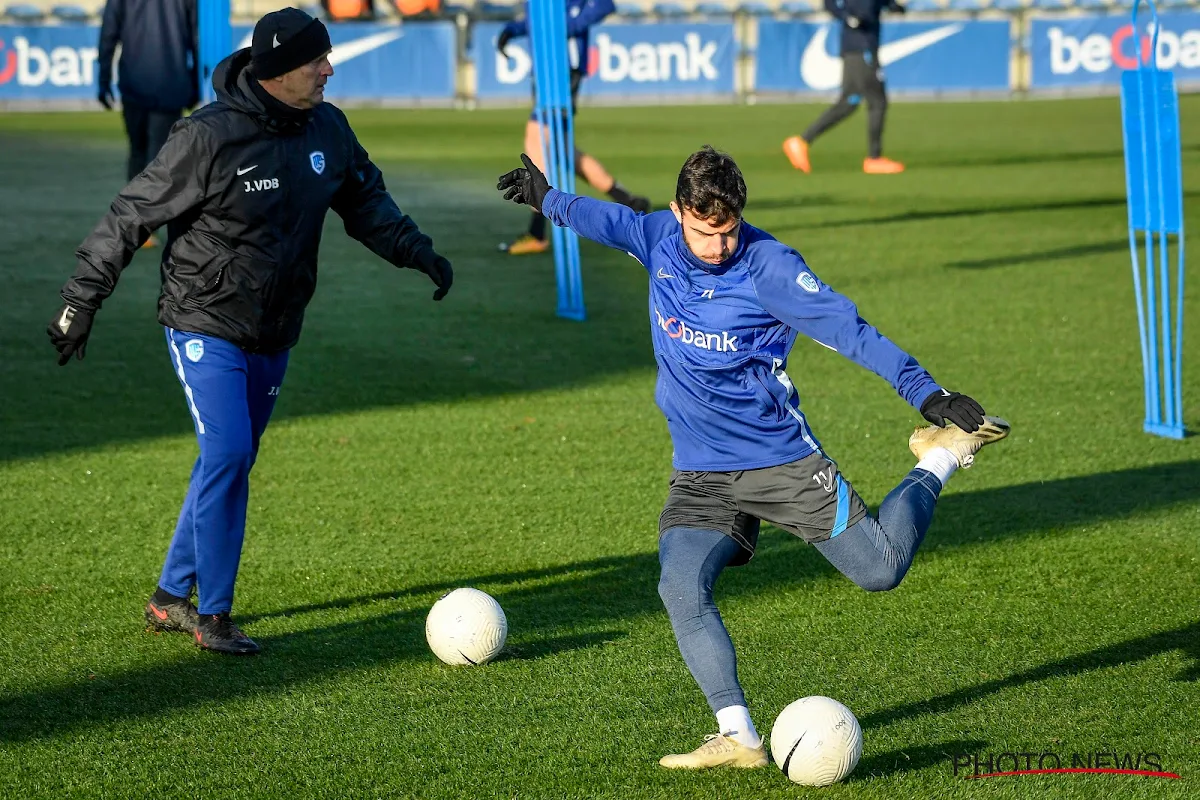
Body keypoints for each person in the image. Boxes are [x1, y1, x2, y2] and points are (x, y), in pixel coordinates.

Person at [497, 146, 1009, 767]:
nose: (717, 245)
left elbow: (851, 330)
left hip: (780, 462)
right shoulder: (657, 236)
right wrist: (544, 198)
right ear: (679, 211)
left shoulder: (770, 268)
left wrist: (927, 394)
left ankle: (941, 457)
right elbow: (603, 220)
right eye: (705, 231)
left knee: (879, 570)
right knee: (680, 586)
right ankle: (738, 736)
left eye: (728, 230)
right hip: (700, 471)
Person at [48, 7, 453, 656]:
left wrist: (417, 250)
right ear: (275, 71)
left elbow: (367, 202)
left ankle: (168, 598)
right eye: (315, 61)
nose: (328, 68)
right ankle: (215, 616)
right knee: (231, 453)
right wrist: (80, 300)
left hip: (276, 326)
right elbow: (131, 215)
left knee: (226, 458)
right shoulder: (205, 138)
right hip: (203, 318)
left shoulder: (329, 127)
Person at [496, 0, 652, 255]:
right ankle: (626, 199)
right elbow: (537, 19)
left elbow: (604, 6)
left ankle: (537, 231)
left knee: (536, 140)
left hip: (564, 73)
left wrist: (562, 27)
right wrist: (513, 29)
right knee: (562, 152)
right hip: (546, 73)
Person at [97, 0, 200, 248]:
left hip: (134, 82)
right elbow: (195, 36)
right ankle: (155, 225)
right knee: (162, 159)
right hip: (171, 81)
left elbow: (109, 33)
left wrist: (103, 79)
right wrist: (194, 81)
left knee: (139, 153)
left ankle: (139, 227)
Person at [783, 0, 907, 175]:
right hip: (862, 48)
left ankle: (801, 142)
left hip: (855, 49)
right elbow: (829, 3)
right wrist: (846, 17)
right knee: (878, 102)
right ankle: (874, 158)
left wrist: (894, 6)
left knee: (848, 103)